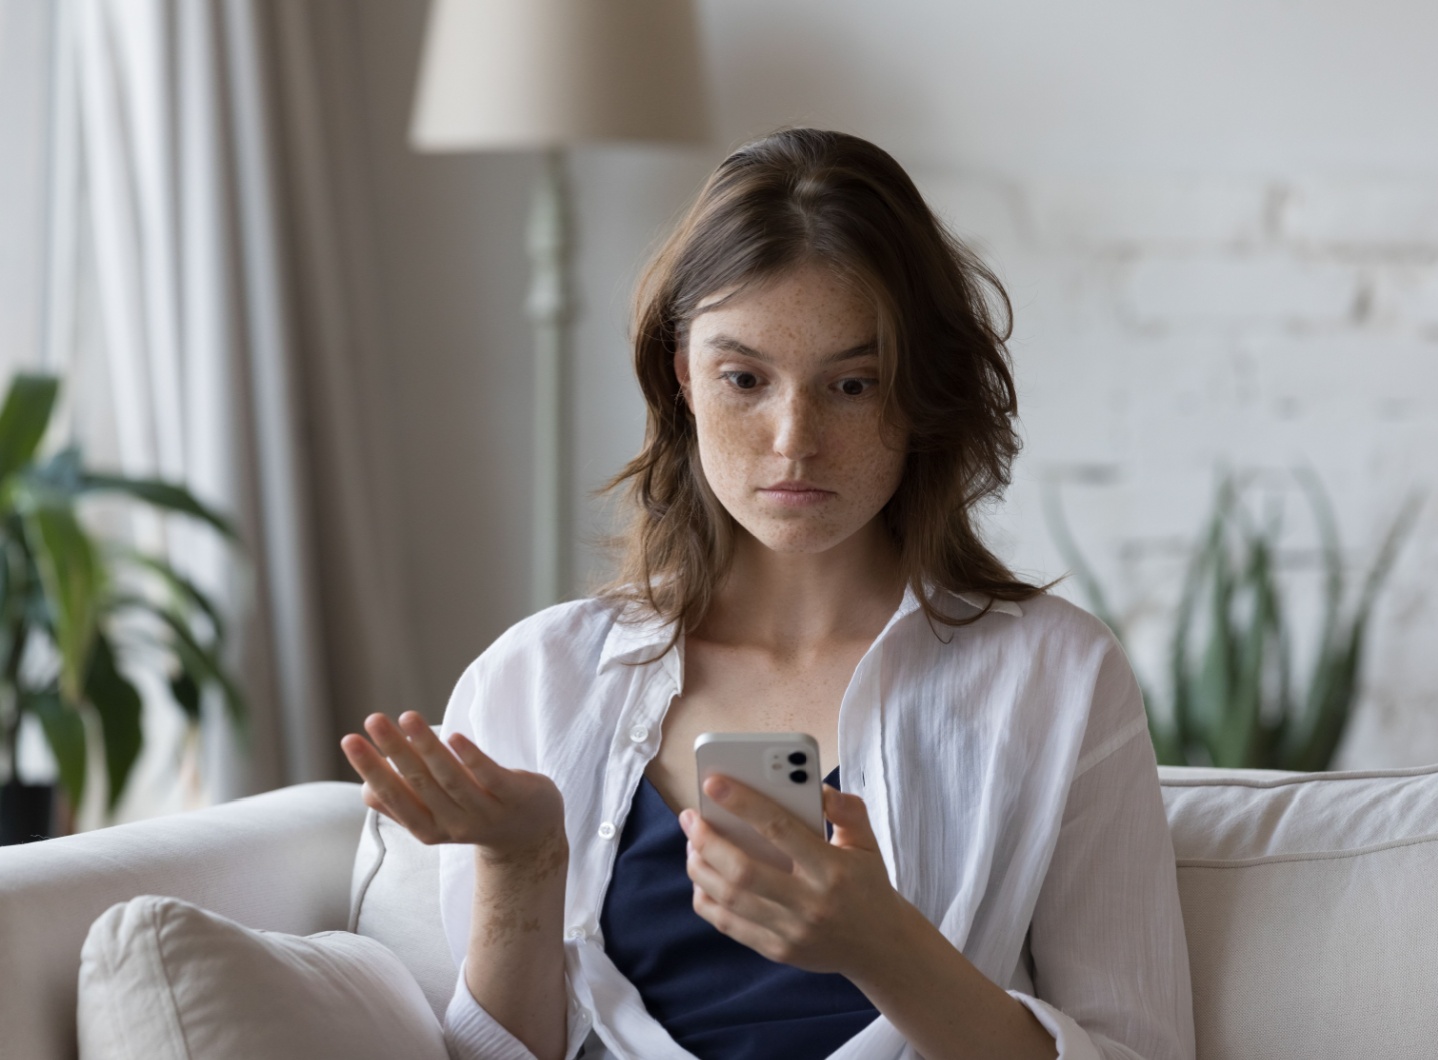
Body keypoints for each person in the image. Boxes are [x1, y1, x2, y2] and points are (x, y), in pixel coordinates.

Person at [341, 127, 1195, 1060]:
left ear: (920, 393)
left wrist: (884, 946)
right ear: (683, 378)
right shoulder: (539, 679)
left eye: (854, 383)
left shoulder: (1054, 677)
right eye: (744, 378)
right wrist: (526, 862)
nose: (795, 438)